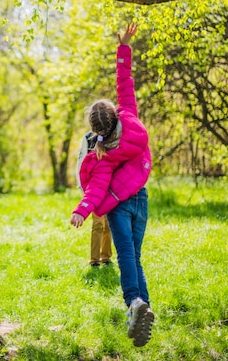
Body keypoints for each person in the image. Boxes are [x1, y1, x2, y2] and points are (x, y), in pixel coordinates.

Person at [70, 23, 154, 347]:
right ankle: (142, 309)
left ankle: (134, 302)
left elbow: (95, 187)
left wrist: (82, 210)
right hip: (141, 199)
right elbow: (125, 82)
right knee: (135, 255)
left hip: (119, 206)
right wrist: (124, 48)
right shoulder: (130, 116)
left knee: (126, 258)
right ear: (115, 116)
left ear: (96, 130)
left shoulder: (103, 154)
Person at [76, 131, 113, 267]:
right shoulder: (87, 138)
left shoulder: (113, 135)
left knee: (108, 223)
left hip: (110, 187)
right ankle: (94, 259)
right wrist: (82, 186)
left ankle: (106, 257)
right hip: (94, 187)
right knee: (97, 223)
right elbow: (81, 161)